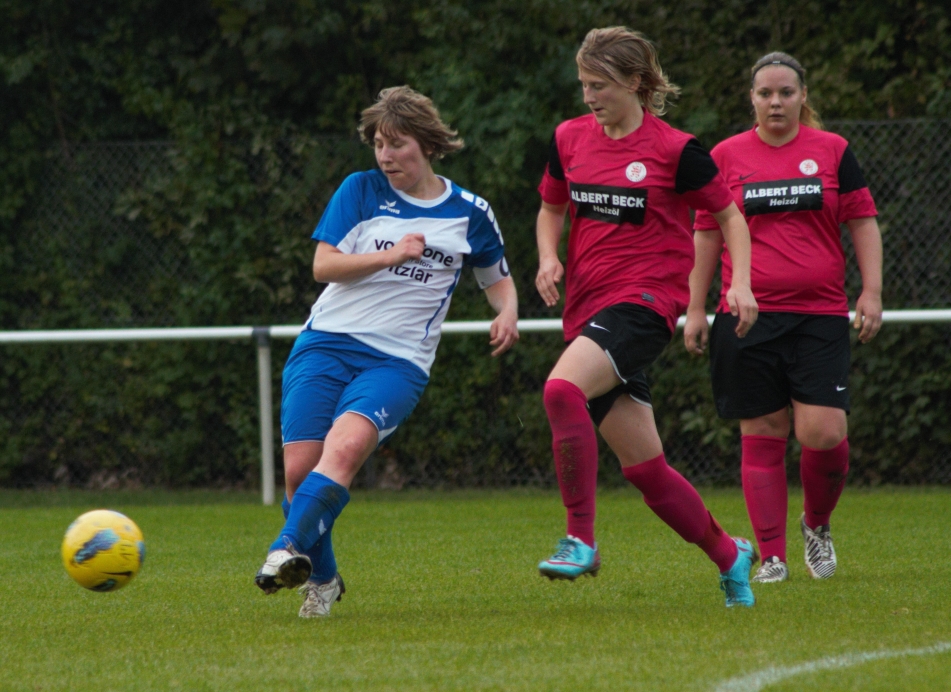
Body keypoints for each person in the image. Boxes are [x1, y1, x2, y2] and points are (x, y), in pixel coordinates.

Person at [254, 86, 519, 617]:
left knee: (346, 447)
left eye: (397, 144)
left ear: (427, 144)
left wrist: (507, 310)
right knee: (299, 474)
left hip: (397, 361)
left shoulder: (470, 213)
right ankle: (323, 581)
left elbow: (497, 279)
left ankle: (284, 549)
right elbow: (323, 266)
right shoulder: (360, 189)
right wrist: (390, 256)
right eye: (378, 144)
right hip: (325, 343)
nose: (385, 156)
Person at [535, 26, 761, 608]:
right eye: (584, 84)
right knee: (646, 472)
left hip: (645, 304)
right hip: (587, 310)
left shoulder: (675, 150)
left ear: (636, 82)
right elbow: (550, 207)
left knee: (561, 390)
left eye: (600, 84)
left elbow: (730, 218)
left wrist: (738, 284)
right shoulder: (569, 138)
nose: (589, 96)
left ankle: (580, 540)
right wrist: (548, 257)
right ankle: (730, 556)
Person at [685, 52, 883, 584]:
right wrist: (696, 307)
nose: (776, 102)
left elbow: (862, 219)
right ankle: (773, 557)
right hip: (746, 316)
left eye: (786, 93)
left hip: (819, 313)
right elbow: (706, 232)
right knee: (763, 430)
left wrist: (871, 292)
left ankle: (816, 525)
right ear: (751, 98)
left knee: (824, 431)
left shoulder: (833, 150)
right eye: (766, 93)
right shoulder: (725, 156)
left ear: (802, 97)